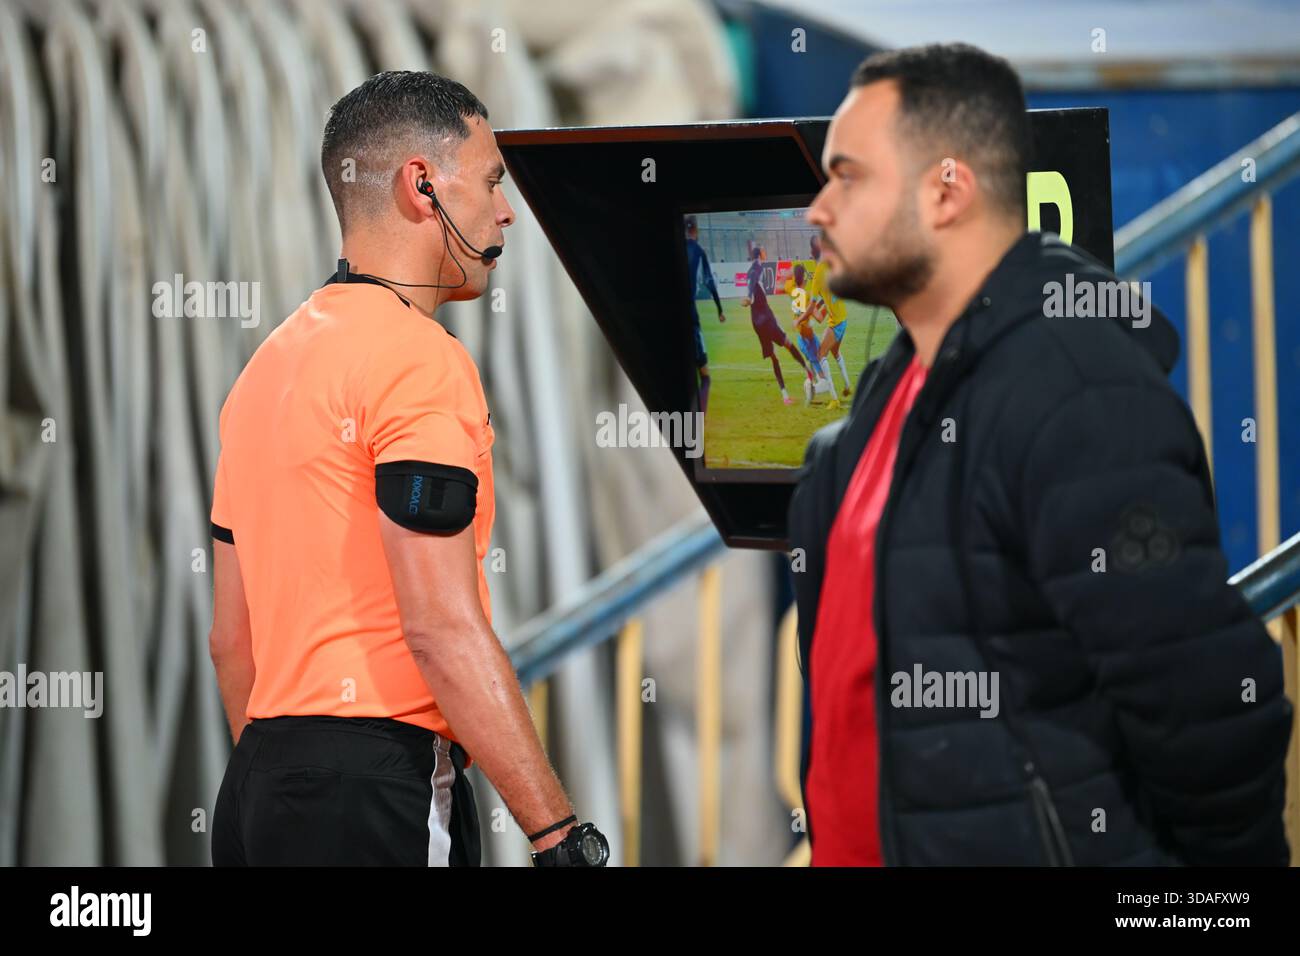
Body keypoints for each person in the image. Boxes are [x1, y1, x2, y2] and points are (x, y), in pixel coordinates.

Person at [788, 43, 1292, 866]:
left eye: (847, 176)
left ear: (947, 190)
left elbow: (1208, 701)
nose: (818, 207)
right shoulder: (893, 392)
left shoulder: (1076, 387)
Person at [208, 71, 609, 867]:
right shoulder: (419, 360)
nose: (505, 211)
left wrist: (293, 781)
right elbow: (440, 626)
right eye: (493, 180)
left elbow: (230, 641)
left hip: (257, 787)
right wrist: (560, 837)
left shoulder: (264, 370)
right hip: (379, 791)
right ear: (422, 184)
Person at [741, 245, 809, 405]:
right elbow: (752, 282)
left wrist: (750, 298)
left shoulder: (751, 270)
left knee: (774, 357)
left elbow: (752, 282)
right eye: (764, 250)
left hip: (756, 322)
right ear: (760, 254)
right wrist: (750, 297)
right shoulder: (757, 267)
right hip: (766, 318)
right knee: (788, 343)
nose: (766, 252)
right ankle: (808, 371)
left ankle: (785, 395)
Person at [685, 216, 725, 411]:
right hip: (691, 317)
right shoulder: (698, 251)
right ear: (696, 230)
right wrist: (720, 309)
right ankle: (699, 423)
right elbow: (709, 281)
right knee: (705, 377)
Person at [784, 262, 837, 408]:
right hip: (809, 340)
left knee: (814, 368)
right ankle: (811, 387)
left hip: (801, 339)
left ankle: (811, 388)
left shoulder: (791, 289)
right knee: (824, 379)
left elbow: (785, 278)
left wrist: (819, 303)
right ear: (805, 279)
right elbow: (819, 318)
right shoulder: (806, 296)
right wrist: (827, 304)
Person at [806, 235, 853, 396]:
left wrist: (803, 316)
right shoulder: (830, 262)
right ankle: (847, 386)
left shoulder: (819, 272)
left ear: (812, 253)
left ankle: (834, 399)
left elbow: (815, 309)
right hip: (841, 317)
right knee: (835, 352)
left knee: (821, 355)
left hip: (837, 322)